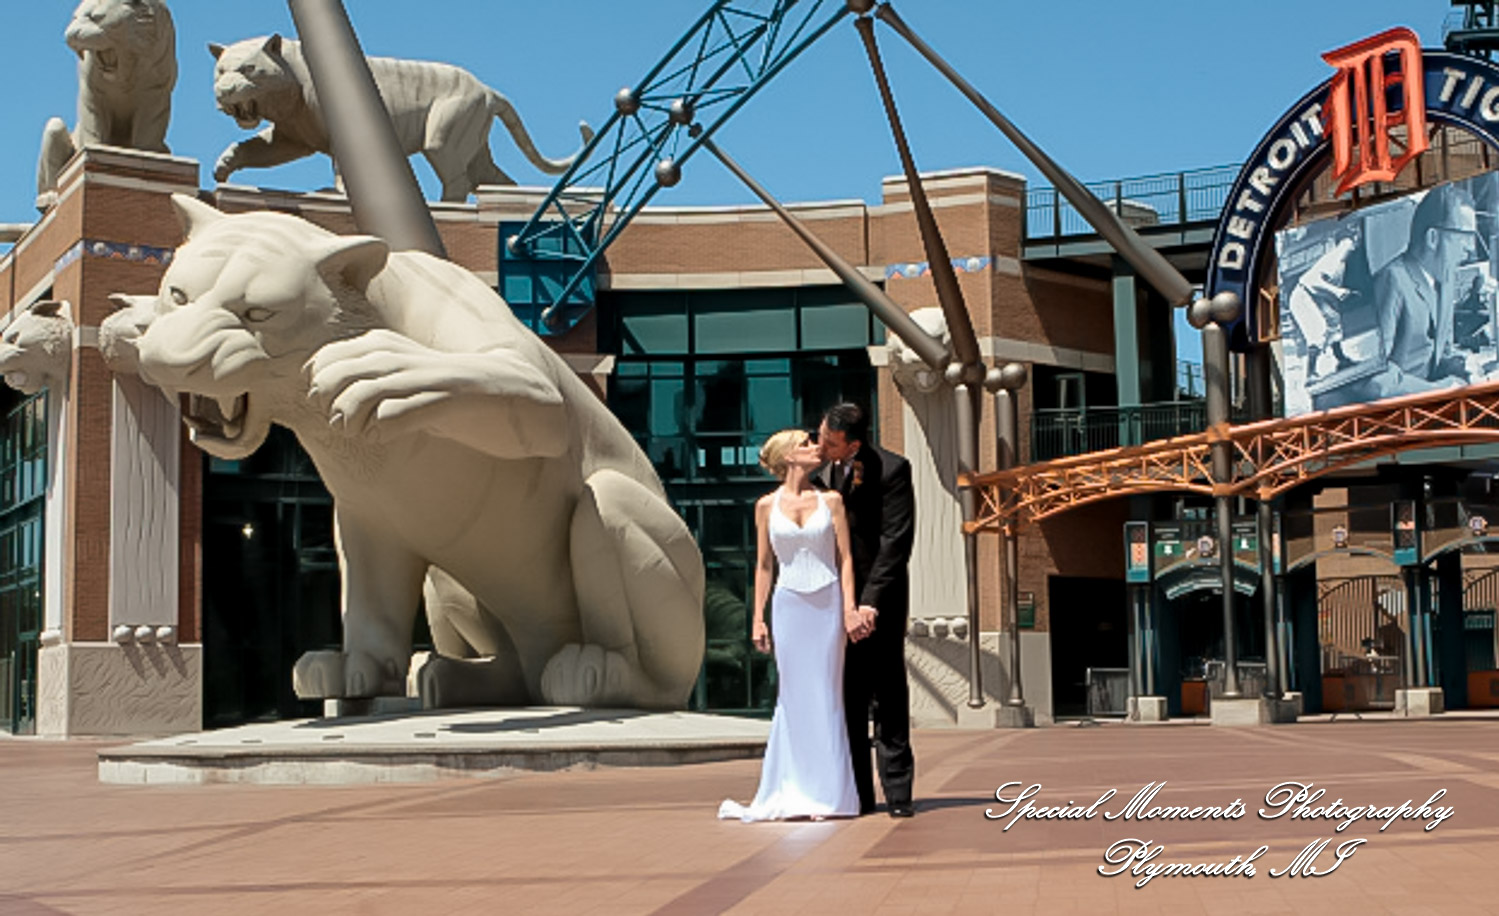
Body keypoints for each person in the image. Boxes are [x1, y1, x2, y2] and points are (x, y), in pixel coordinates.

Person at [718, 429, 862, 822]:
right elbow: (764, 566)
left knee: (826, 694)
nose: (816, 447)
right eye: (805, 443)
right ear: (787, 456)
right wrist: (757, 618)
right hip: (788, 607)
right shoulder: (766, 506)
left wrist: (850, 609)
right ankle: (794, 791)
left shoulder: (832, 501)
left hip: (827, 605)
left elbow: (846, 559)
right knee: (793, 697)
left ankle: (828, 797)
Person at [816, 403, 916, 818]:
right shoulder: (816, 473)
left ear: (853, 445)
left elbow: (896, 542)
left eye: (831, 442)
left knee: (888, 694)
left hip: (879, 602)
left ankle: (899, 794)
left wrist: (869, 602)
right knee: (848, 698)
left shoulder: (892, 470)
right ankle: (857, 794)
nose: (821, 445)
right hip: (831, 603)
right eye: (821, 435)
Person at [1372, 185, 1481, 398]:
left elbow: (1440, 355)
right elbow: (1375, 376)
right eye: (1464, 236)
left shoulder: (1445, 282)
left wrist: (1465, 366)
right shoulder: (1391, 281)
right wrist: (1436, 390)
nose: (1470, 248)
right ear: (1433, 238)